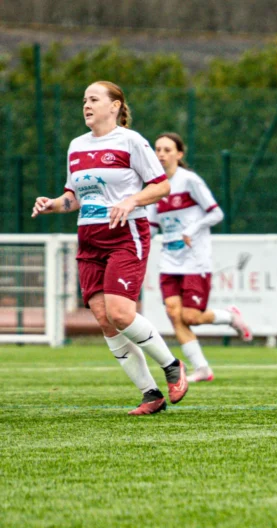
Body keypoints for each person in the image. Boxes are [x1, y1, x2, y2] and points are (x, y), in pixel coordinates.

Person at [32, 81, 188, 415]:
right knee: (105, 320)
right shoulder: (76, 145)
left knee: (120, 313)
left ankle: (172, 365)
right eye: (83, 100)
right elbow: (74, 197)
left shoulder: (131, 141)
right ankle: (150, 394)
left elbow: (161, 186)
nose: (86, 105)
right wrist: (52, 204)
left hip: (124, 235)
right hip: (89, 238)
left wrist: (132, 200)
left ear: (115, 106)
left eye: (93, 99)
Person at [147, 132, 253, 383]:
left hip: (195, 260)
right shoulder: (153, 187)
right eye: (157, 149)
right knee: (174, 314)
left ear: (179, 154)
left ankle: (230, 316)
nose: (161, 154)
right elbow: (150, 227)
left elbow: (216, 214)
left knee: (191, 317)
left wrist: (191, 230)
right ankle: (202, 368)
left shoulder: (189, 180)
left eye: (167, 150)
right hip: (169, 261)